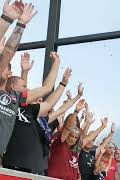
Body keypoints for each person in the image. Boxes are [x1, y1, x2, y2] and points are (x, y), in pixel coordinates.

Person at [2, 63, 75, 175]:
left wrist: (63, 83)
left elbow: (49, 102)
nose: (28, 89)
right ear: (12, 88)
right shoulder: (9, 105)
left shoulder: (30, 111)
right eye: (24, 87)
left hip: (36, 170)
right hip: (13, 167)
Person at [0, 0, 37, 166]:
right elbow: (6, 53)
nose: (7, 70)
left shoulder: (11, 97)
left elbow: (8, 53)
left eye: (7, 69)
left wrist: (20, 24)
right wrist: (7, 19)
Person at [48, 100, 87, 180]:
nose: (73, 139)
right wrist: (76, 111)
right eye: (71, 123)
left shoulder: (74, 147)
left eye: (75, 137)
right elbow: (67, 128)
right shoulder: (60, 138)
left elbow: (88, 138)